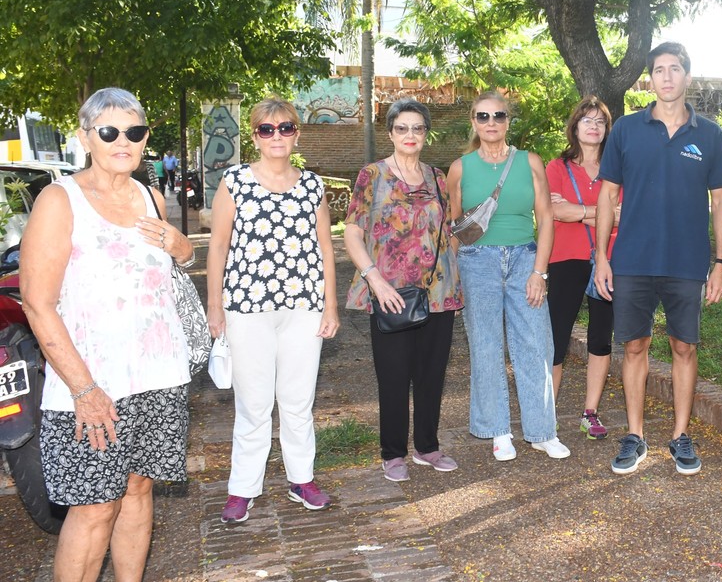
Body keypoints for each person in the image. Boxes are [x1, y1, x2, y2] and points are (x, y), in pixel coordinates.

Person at [21, 87, 194, 580]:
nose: (124, 141)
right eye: (109, 132)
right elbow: (38, 302)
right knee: (95, 507)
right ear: (85, 137)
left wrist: (184, 249)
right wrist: (84, 389)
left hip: (158, 376)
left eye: (134, 132)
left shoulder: (150, 196)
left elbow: (175, 269)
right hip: (92, 385)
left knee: (139, 491)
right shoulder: (60, 201)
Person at [592, 42, 722, 476]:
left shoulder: (709, 135)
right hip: (632, 259)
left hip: (687, 262)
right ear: (649, 79)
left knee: (683, 347)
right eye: (659, 70)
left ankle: (679, 436)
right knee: (634, 346)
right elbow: (607, 195)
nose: (667, 77)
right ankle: (634, 435)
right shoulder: (627, 131)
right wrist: (601, 256)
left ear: (687, 77)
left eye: (675, 69)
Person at [207, 98, 340, 523]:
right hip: (246, 306)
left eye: (284, 128)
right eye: (267, 129)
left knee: (298, 401)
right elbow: (218, 246)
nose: (277, 136)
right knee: (254, 403)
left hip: (304, 305)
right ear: (255, 136)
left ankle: (302, 479)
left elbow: (324, 248)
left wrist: (331, 304)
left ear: (296, 133)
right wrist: (215, 305)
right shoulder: (234, 181)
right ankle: (243, 489)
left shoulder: (313, 185)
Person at [343, 98, 463, 482]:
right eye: (402, 128)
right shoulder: (372, 176)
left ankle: (427, 446)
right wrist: (374, 280)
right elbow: (352, 233)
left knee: (432, 374)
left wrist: (452, 285)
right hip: (391, 292)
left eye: (417, 128)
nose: (410, 135)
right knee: (394, 375)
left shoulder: (436, 177)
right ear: (390, 132)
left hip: (436, 291)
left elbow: (445, 234)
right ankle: (393, 453)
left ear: (426, 134)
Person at [447, 91, 569, 461]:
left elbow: (546, 218)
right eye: (482, 117)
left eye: (498, 116)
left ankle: (542, 431)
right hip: (476, 261)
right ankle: (498, 430)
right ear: (473, 121)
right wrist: (454, 280)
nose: (491, 123)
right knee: (485, 346)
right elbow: (455, 227)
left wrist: (540, 273)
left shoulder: (529, 162)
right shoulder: (460, 168)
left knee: (535, 344)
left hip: (524, 259)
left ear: (508, 121)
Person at [545, 96, 619, 439]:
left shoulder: (618, 169)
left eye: (600, 122)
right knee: (556, 338)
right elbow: (553, 212)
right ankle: (546, 415)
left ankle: (590, 412)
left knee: (601, 338)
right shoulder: (556, 168)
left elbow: (624, 217)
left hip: (609, 259)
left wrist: (577, 210)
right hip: (564, 259)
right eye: (587, 120)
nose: (593, 126)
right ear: (575, 127)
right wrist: (600, 214)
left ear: (607, 129)